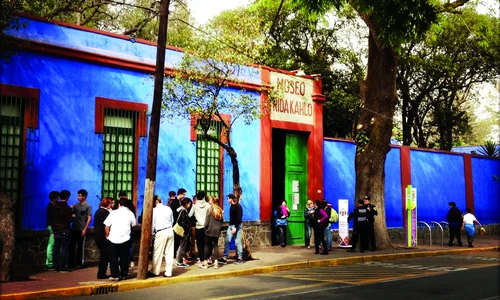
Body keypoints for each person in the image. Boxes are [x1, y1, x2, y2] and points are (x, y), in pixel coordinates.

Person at [103, 197, 136, 281]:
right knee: (124, 257)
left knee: (113, 257)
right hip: (125, 238)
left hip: (113, 238)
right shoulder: (130, 213)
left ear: (119, 204)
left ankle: (115, 275)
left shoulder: (113, 213)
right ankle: (124, 274)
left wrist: (107, 235)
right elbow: (133, 224)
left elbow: (106, 226)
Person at [149, 194, 174, 277]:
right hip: (169, 229)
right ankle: (168, 272)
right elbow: (172, 220)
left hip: (160, 231)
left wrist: (152, 234)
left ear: (155, 201)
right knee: (169, 253)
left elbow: (152, 224)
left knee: (157, 253)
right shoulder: (168, 208)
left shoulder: (154, 210)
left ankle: (155, 271)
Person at [68, 189, 92, 269]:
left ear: (84, 197)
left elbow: (89, 218)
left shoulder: (88, 206)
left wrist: (85, 229)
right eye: (78, 195)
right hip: (74, 228)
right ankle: (71, 263)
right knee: (71, 246)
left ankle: (79, 263)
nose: (78, 197)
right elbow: (72, 214)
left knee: (80, 247)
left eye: (80, 196)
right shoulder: (76, 205)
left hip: (81, 229)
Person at [51, 190, 73, 273]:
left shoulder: (55, 206)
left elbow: (52, 218)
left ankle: (55, 266)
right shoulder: (66, 207)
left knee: (56, 248)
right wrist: (73, 216)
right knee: (64, 248)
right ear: (67, 197)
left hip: (56, 230)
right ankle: (62, 266)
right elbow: (69, 219)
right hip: (64, 229)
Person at [219, 193, 244, 265]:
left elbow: (239, 218)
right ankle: (225, 257)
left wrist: (235, 227)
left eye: (228, 198)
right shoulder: (232, 206)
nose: (227, 200)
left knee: (238, 241)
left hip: (236, 226)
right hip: (230, 226)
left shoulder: (238, 207)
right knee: (227, 241)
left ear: (231, 199)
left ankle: (240, 258)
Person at [201, 196, 223, 269]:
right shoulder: (220, 210)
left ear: (212, 201)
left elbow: (206, 222)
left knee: (207, 246)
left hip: (209, 230)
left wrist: (205, 228)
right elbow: (221, 222)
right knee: (215, 246)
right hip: (216, 231)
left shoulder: (210, 210)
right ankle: (216, 263)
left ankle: (205, 262)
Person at [189, 191, 210, 266]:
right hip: (206, 226)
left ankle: (201, 259)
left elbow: (190, 215)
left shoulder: (194, 206)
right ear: (204, 197)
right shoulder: (208, 205)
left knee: (200, 244)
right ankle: (207, 258)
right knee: (206, 243)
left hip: (198, 227)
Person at [94, 197, 112, 279]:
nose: (111, 205)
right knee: (105, 256)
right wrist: (107, 235)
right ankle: (101, 274)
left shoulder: (98, 211)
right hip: (103, 237)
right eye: (110, 203)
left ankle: (101, 273)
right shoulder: (105, 213)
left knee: (103, 255)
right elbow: (107, 226)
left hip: (98, 236)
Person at [119, 191, 136, 267]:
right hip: (129, 227)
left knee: (123, 245)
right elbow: (134, 221)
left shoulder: (119, 204)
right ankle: (130, 260)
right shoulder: (131, 204)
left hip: (122, 228)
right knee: (129, 245)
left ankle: (125, 260)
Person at [175, 197, 192, 267]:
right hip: (183, 231)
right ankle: (179, 261)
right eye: (189, 204)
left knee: (180, 246)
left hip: (180, 231)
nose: (190, 205)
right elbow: (184, 222)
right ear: (186, 204)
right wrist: (187, 229)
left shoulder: (179, 210)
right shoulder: (183, 211)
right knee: (182, 246)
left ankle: (179, 260)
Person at [45, 191, 59, 270]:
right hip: (52, 227)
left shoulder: (51, 206)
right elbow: (52, 219)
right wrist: (54, 230)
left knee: (50, 244)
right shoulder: (51, 207)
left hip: (50, 226)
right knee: (51, 244)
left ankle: (48, 262)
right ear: (54, 198)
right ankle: (50, 263)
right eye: (57, 197)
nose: (58, 199)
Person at [169, 188, 185, 256]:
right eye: (183, 194)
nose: (184, 196)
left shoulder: (179, 201)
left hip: (179, 223)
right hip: (175, 223)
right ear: (180, 194)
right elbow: (173, 212)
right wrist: (180, 208)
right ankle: (174, 254)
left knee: (178, 240)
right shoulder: (175, 202)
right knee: (176, 240)